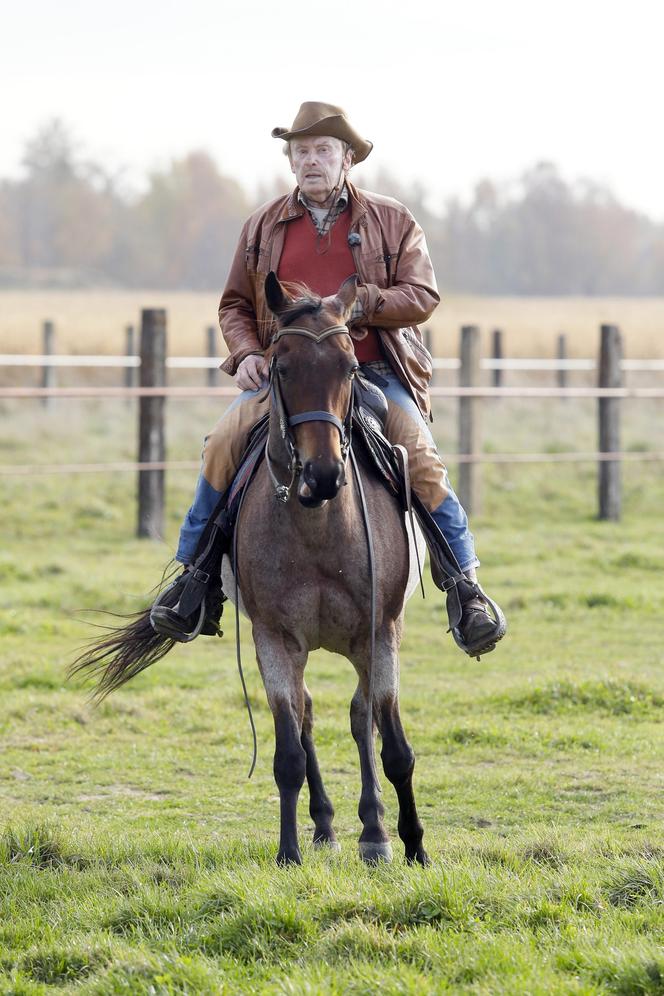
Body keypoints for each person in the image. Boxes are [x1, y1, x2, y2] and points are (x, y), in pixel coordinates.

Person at [152, 102, 506, 657]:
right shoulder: (261, 225)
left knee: (422, 459)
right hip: (287, 378)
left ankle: (466, 587)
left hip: (373, 371)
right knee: (222, 443)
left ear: (347, 158)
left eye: (322, 150)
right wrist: (246, 353)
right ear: (290, 162)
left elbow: (423, 296)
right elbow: (235, 305)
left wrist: (358, 302)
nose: (311, 160)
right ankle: (192, 580)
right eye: (301, 151)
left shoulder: (393, 219)